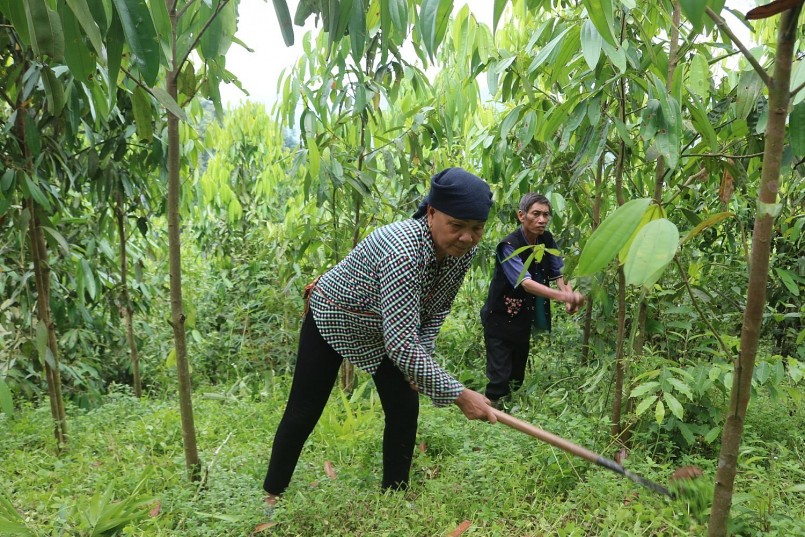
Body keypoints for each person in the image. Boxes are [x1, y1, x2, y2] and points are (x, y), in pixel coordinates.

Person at [263, 167, 498, 506]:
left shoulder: (464, 252)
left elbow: (435, 310)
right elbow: (402, 346)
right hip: (335, 315)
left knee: (404, 406)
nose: (467, 237)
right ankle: (272, 495)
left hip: (388, 326)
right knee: (304, 410)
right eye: (457, 226)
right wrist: (460, 395)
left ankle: (394, 497)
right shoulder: (403, 252)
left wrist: (423, 360)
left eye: (477, 229)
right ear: (431, 214)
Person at [480, 193, 584, 406]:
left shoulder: (546, 239)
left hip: (522, 318)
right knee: (499, 379)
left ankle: (505, 418)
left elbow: (558, 272)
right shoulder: (508, 245)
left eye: (546, 215)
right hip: (499, 317)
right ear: (521, 215)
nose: (542, 220)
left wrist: (568, 295)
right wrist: (563, 295)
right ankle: (486, 416)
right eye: (536, 214)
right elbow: (524, 282)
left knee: (516, 378)